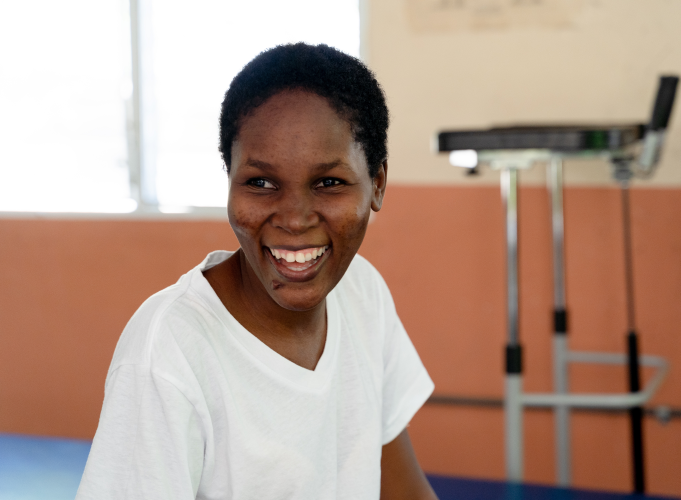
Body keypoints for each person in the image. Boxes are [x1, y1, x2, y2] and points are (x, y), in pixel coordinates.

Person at [75, 43, 437, 500]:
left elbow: (400, 487)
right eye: (260, 183)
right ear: (229, 181)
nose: (294, 218)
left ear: (377, 183)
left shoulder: (362, 292)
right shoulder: (169, 352)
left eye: (329, 182)